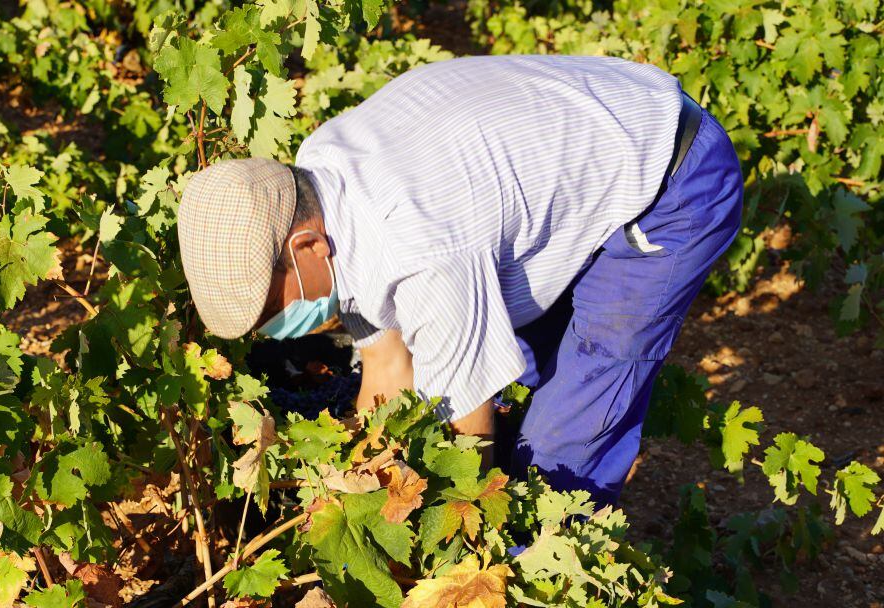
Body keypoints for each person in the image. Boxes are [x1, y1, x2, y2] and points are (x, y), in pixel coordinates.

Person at [177, 55, 742, 505]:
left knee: (566, 434)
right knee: (518, 364)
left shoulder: (418, 245)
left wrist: (452, 527)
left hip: (671, 175)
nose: (282, 330)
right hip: (577, 153)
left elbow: (466, 436)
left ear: (305, 246)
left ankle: (548, 567)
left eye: (275, 312)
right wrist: (366, 479)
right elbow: (387, 362)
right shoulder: (319, 178)